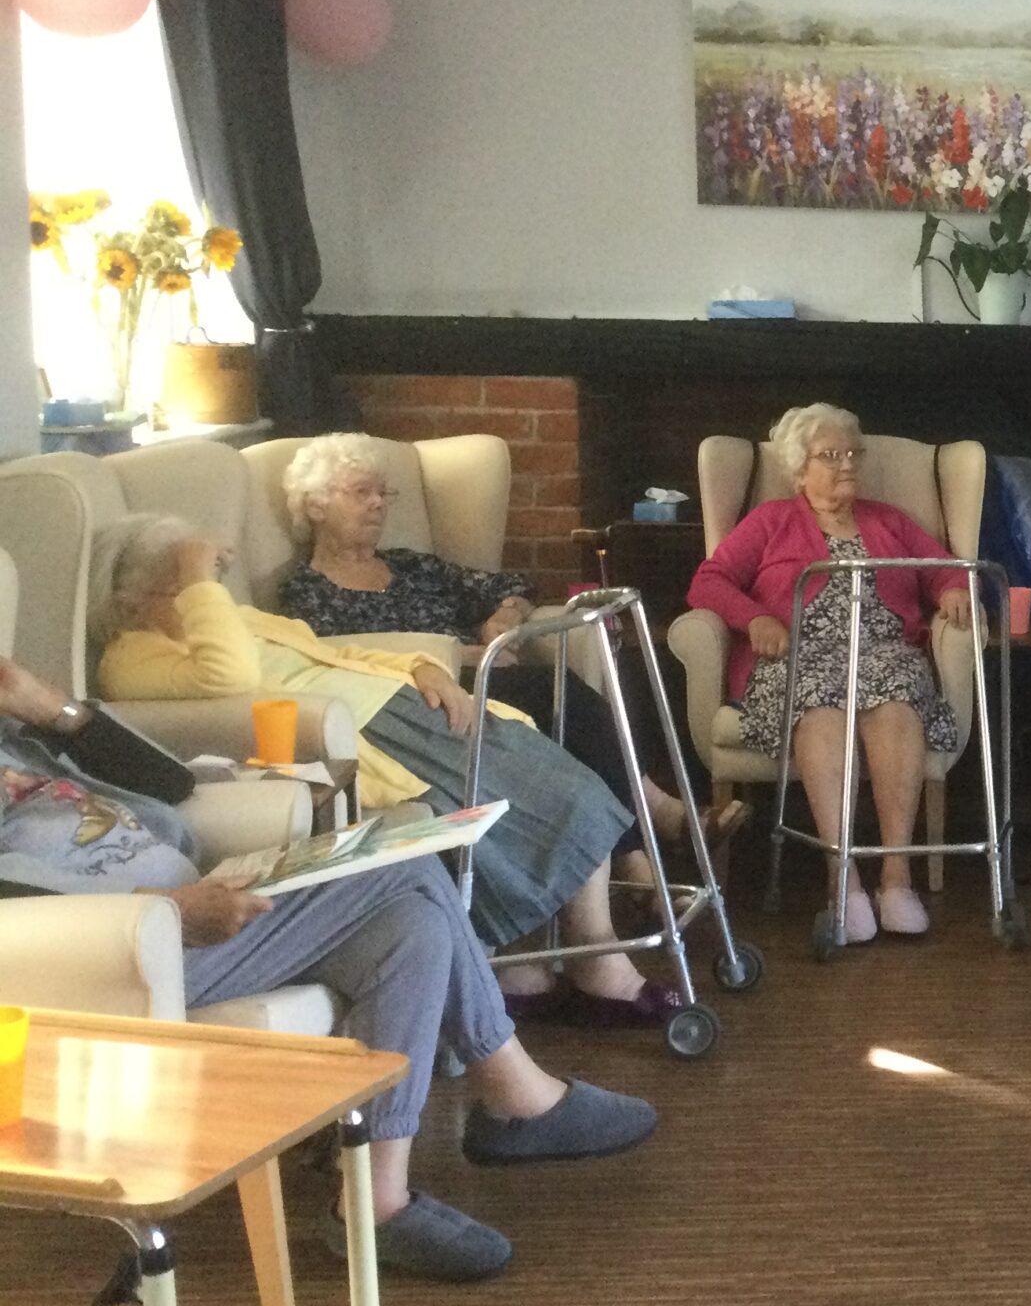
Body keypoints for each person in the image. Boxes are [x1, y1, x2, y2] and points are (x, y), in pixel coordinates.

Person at [0, 652, 655, 1282]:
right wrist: (169, 908)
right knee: (402, 869)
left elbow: (171, 785)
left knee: (412, 925)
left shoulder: (13, 734)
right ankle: (516, 1096)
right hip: (108, 950)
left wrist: (48, 708)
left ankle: (375, 1202)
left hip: (188, 911)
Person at [92, 516, 683, 1028]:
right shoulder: (133, 657)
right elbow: (230, 677)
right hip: (368, 737)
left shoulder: (228, 616)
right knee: (551, 803)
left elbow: (333, 652)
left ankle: (536, 971)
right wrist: (201, 589)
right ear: (135, 598)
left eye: (199, 583)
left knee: (571, 787)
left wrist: (422, 667)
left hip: (402, 706)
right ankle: (595, 963)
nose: (203, 594)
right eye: (182, 584)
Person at [273, 432, 749, 870]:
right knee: (556, 692)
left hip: (487, 680)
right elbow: (344, 660)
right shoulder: (308, 592)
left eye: (384, 493)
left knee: (565, 706)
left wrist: (505, 616)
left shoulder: (409, 566)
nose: (378, 504)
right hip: (414, 704)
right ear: (315, 506)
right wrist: (468, 655)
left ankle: (640, 861)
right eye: (361, 492)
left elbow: (511, 585)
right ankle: (658, 824)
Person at [687, 404, 969, 942]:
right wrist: (757, 618)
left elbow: (944, 567)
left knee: (899, 693)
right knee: (819, 703)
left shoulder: (888, 520)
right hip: (797, 657)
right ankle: (844, 881)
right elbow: (710, 580)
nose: (846, 465)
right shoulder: (771, 520)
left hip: (882, 653)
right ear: (799, 467)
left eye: (853, 454)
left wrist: (952, 587)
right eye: (831, 455)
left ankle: (896, 876)